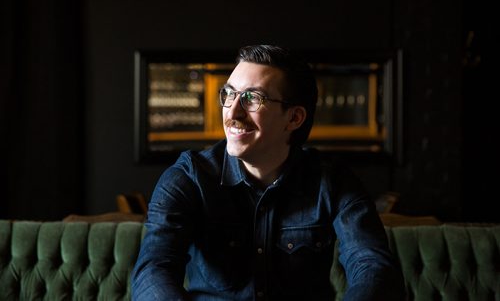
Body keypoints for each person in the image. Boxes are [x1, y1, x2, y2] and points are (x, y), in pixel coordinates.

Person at [131, 45, 405, 300]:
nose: (232, 113)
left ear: (294, 118)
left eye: (252, 98)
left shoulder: (332, 181)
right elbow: (153, 270)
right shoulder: (189, 177)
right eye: (229, 94)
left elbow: (372, 265)